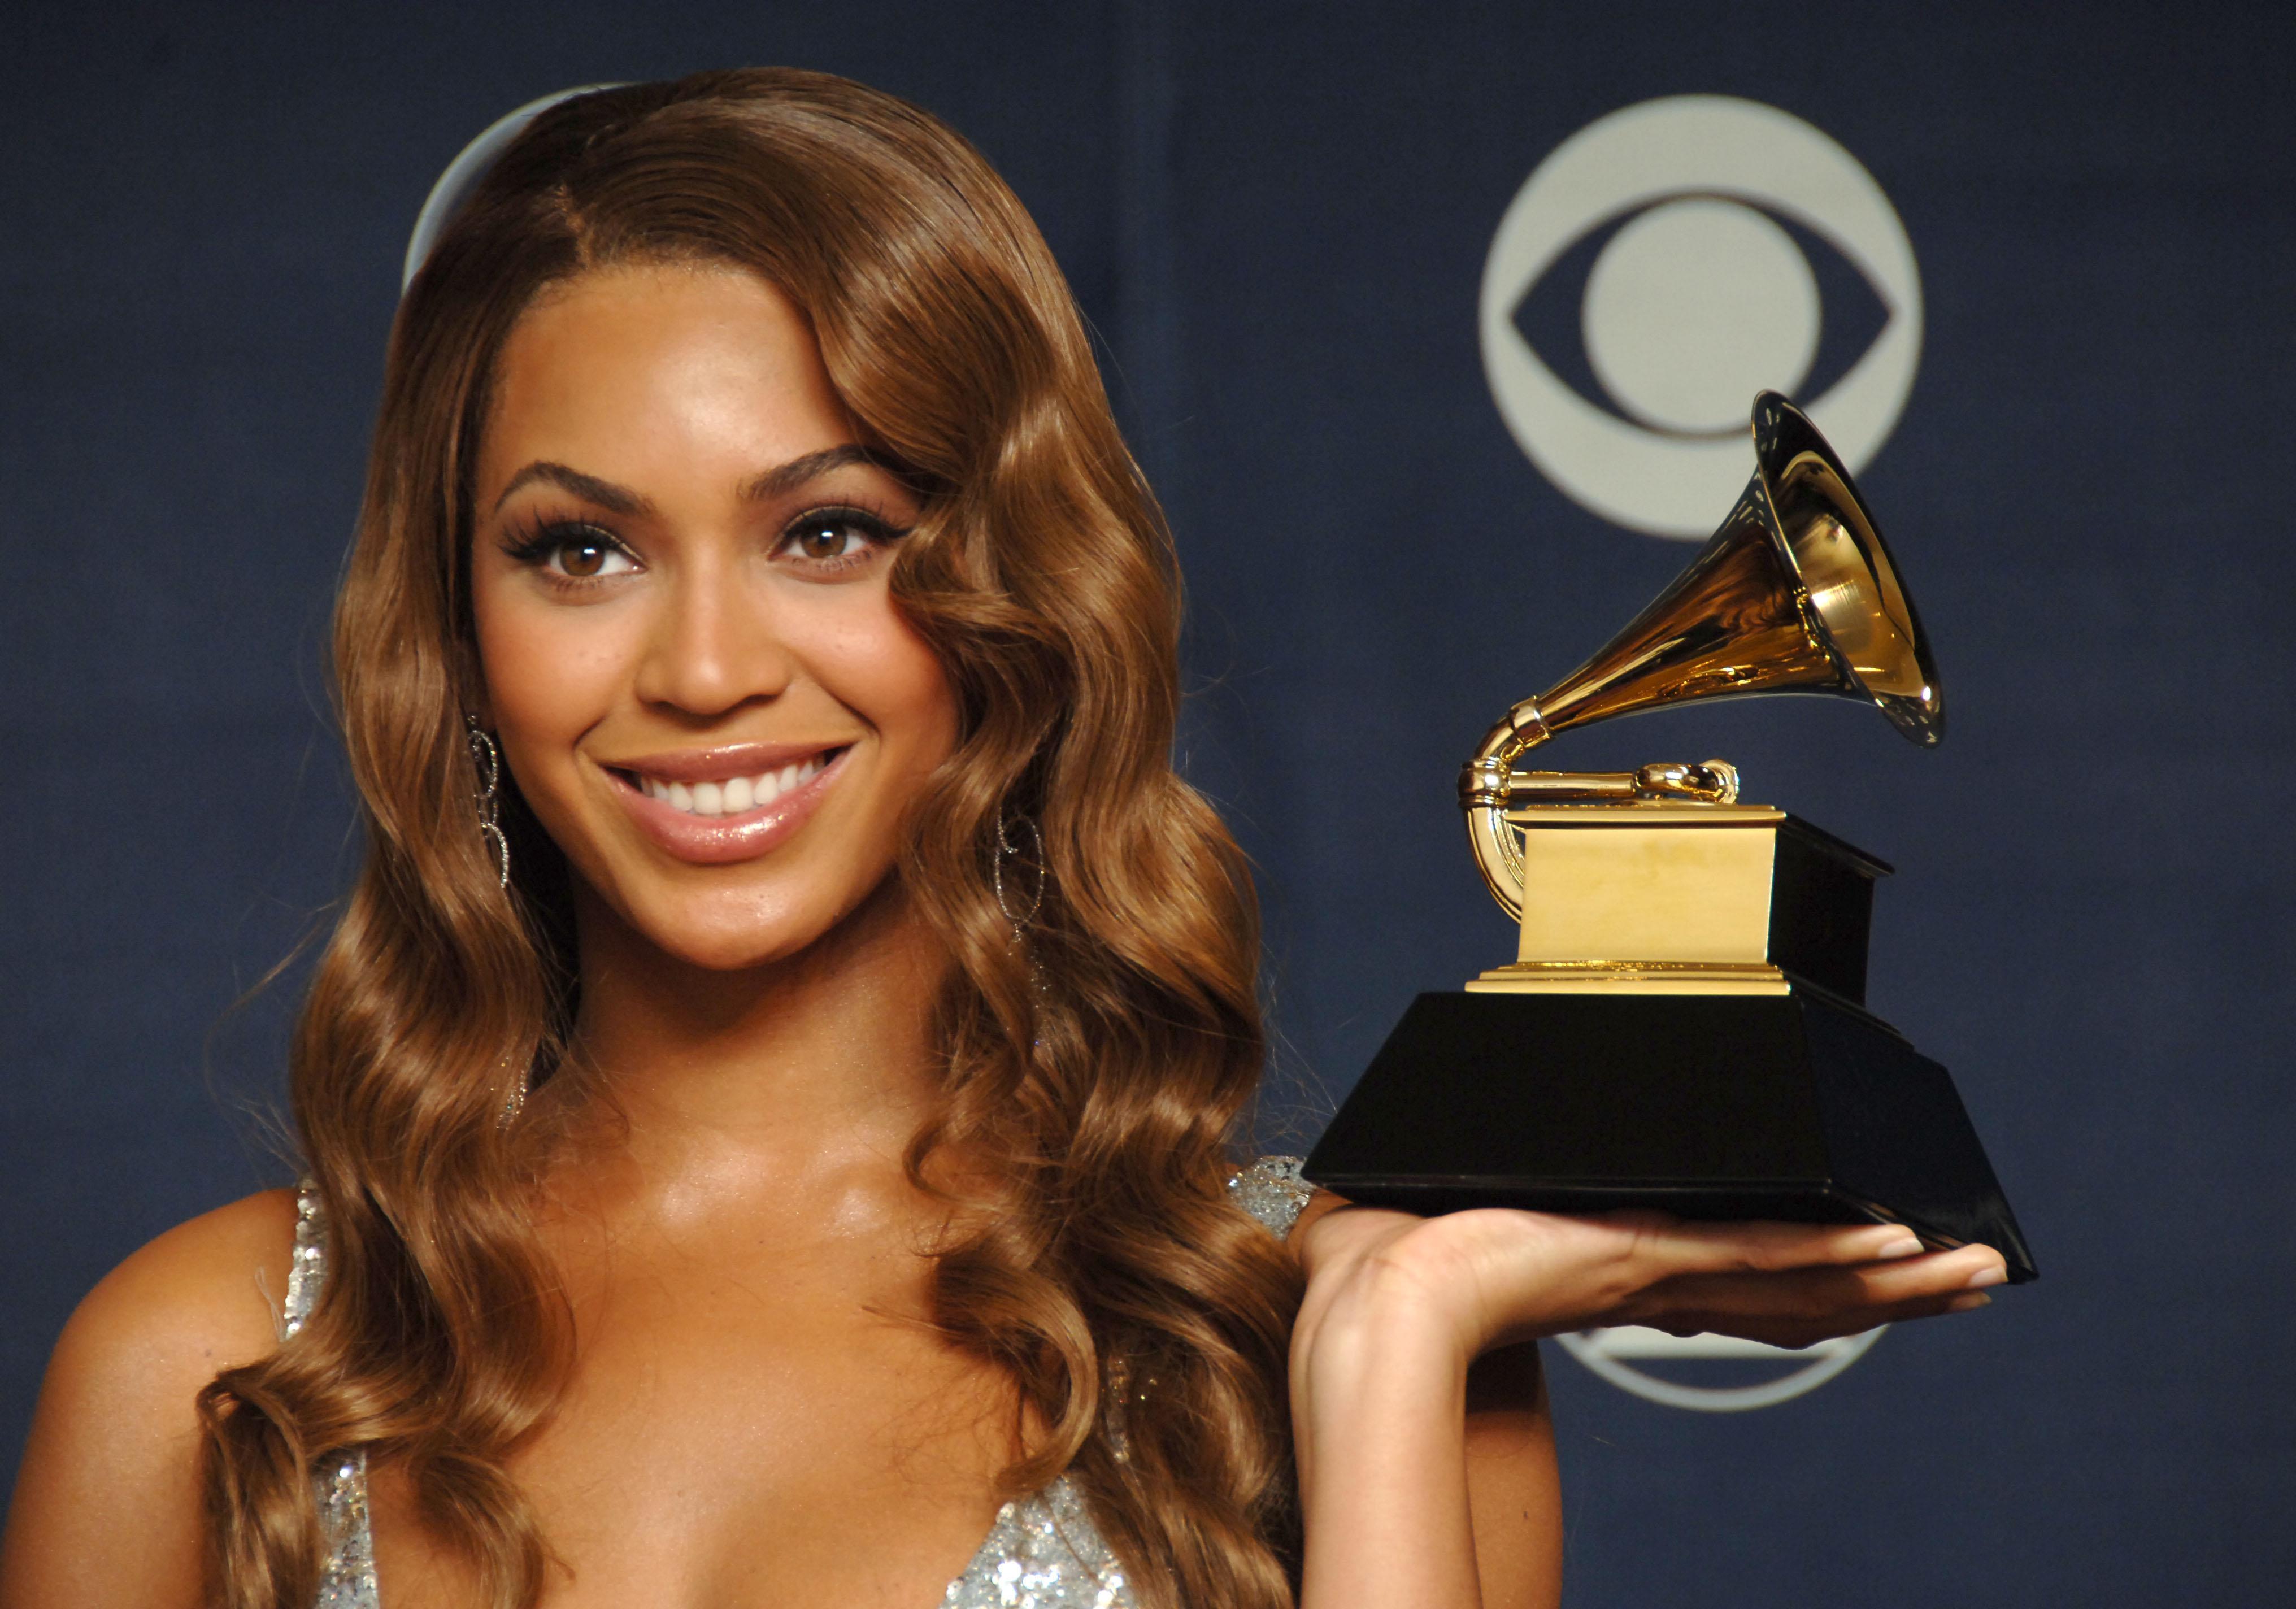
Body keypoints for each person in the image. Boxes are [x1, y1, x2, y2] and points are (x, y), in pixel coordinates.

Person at [0, 69, 2004, 1609]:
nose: (703, 667)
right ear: (459, 625)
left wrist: (1391, 1337)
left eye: (829, 531)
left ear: (1015, 589)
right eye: (580, 547)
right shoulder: (205, 1363)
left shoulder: (1292, 1317)